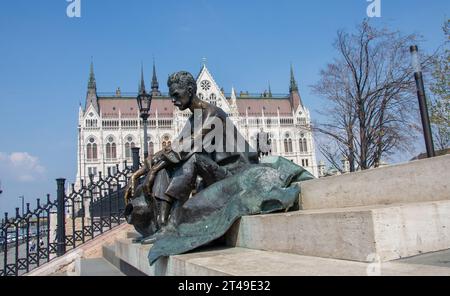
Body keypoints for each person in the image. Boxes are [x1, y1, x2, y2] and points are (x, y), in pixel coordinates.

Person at [125, 71, 257, 243]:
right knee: (168, 165)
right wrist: (139, 172)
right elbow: (174, 147)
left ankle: (170, 226)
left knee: (192, 158)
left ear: (189, 90)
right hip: (217, 176)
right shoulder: (193, 120)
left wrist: (154, 168)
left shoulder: (214, 114)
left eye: (176, 95)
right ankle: (162, 224)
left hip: (237, 175)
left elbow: (188, 147)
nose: (173, 100)